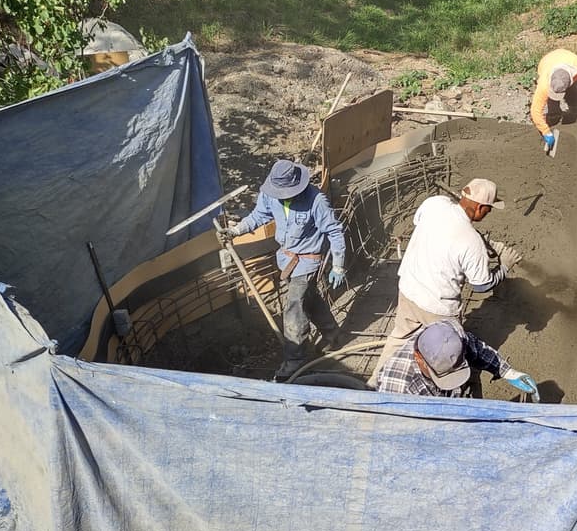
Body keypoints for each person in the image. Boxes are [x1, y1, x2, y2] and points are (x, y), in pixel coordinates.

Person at [371, 178, 522, 378]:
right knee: (450, 352)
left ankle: (375, 383)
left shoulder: (435, 203)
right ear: (479, 207)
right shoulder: (471, 242)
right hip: (438, 306)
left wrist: (476, 238)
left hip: (409, 288)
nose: (489, 213)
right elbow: (481, 285)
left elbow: (432, 227)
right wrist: (504, 267)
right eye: (489, 208)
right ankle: (446, 386)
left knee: (399, 338)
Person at [219, 159, 347, 380]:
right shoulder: (271, 195)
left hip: (307, 261)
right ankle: (331, 334)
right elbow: (259, 216)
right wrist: (236, 231)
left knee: (294, 308)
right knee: (309, 298)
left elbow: (334, 231)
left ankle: (295, 359)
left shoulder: (316, 200)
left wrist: (338, 264)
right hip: (286, 259)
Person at [375, 320, 539, 402]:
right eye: (444, 375)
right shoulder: (398, 390)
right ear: (419, 358)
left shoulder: (449, 332)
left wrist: (507, 372)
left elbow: (476, 348)